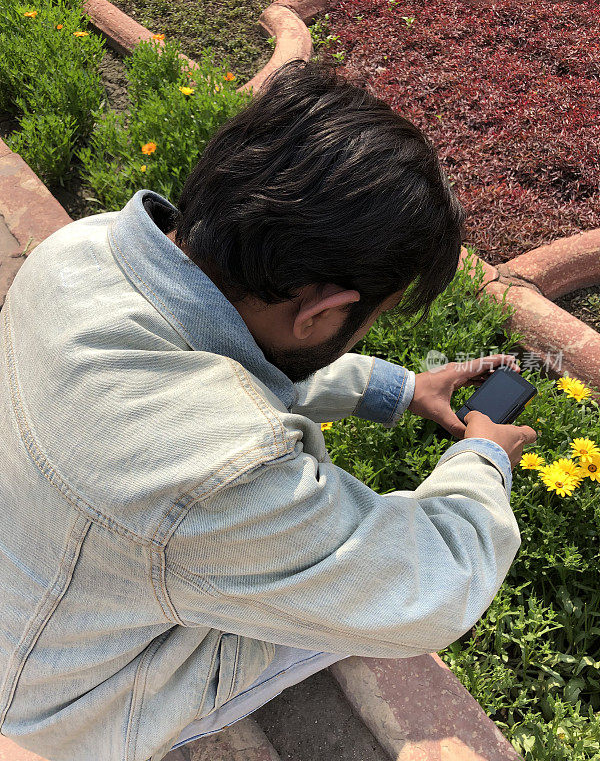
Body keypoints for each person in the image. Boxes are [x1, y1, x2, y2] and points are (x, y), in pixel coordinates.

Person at [0, 58, 536, 761]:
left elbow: (214, 349)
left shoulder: (84, 248)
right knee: (344, 603)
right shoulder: (221, 474)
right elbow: (433, 585)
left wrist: (399, 388)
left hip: (37, 585)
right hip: (53, 703)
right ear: (324, 311)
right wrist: (484, 455)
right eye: (376, 316)